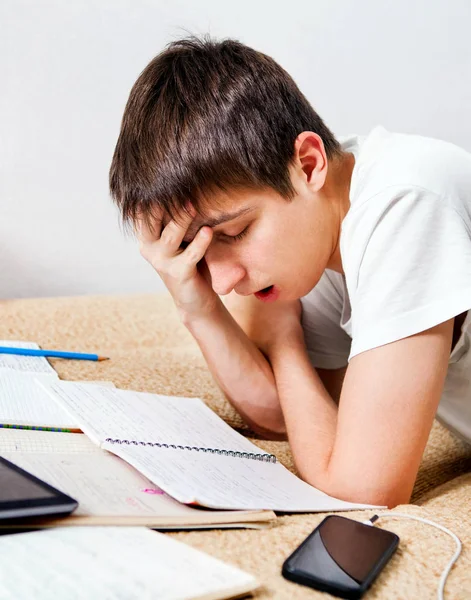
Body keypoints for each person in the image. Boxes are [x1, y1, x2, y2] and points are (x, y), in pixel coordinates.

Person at [109, 36, 471, 508]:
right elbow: (287, 418)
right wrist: (196, 306)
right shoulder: (318, 233)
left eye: (234, 232)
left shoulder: (404, 204)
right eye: (199, 253)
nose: (224, 281)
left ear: (308, 163)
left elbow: (364, 487)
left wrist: (282, 338)